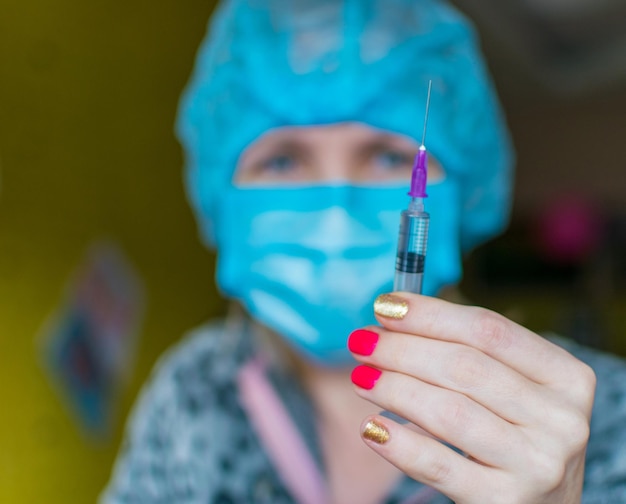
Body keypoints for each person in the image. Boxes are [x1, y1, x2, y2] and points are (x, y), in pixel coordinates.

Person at [100, 0, 626, 502]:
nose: (336, 209)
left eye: (387, 157)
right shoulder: (195, 393)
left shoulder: (589, 412)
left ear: (462, 191)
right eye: (283, 161)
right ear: (222, 194)